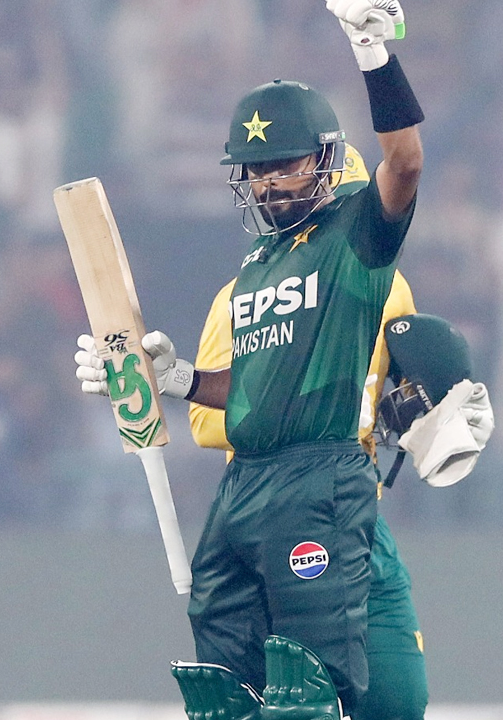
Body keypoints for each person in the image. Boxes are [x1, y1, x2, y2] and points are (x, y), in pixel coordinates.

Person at [75, 0, 424, 715]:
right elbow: (253, 387)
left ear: (324, 159)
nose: (267, 183)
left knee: (310, 689)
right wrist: (174, 380)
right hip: (244, 485)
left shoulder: (355, 239)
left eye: (283, 164)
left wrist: (374, 55)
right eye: (255, 169)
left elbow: (406, 161)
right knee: (225, 691)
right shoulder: (256, 267)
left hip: (318, 474)